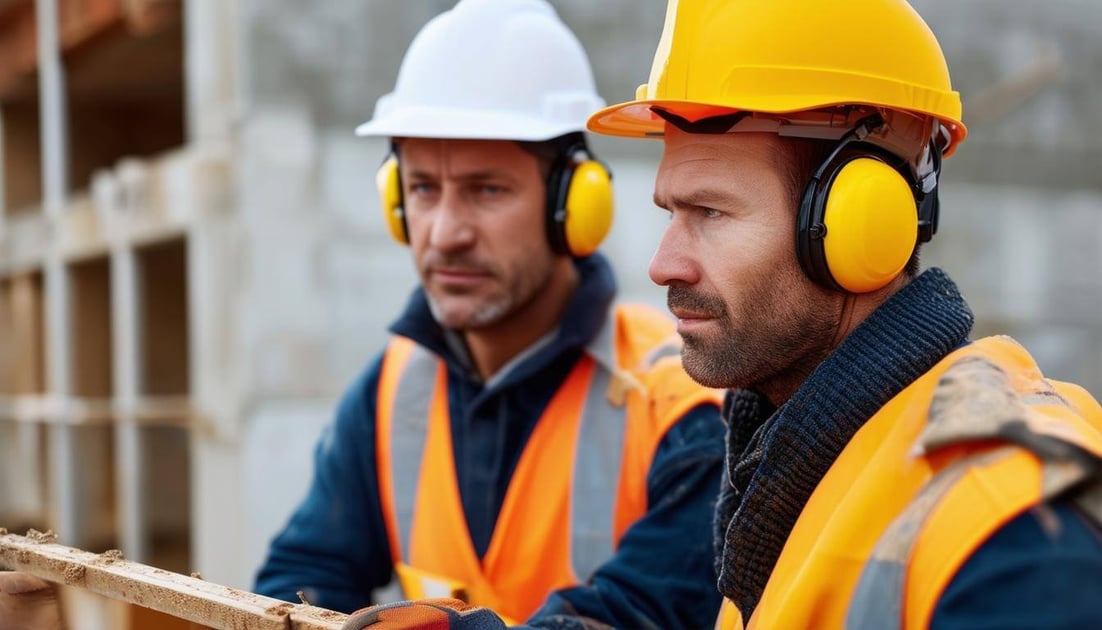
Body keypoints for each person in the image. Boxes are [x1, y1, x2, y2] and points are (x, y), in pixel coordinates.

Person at [580, 0, 1102, 629]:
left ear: (859, 222)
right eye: (672, 212)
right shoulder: (788, 475)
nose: (664, 265)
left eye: (710, 213)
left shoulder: (1009, 528)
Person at [254, 0, 725, 628]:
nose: (446, 232)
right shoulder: (392, 392)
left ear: (574, 206)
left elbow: (639, 614)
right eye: (423, 188)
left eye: (487, 189)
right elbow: (299, 584)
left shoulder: (684, 401)